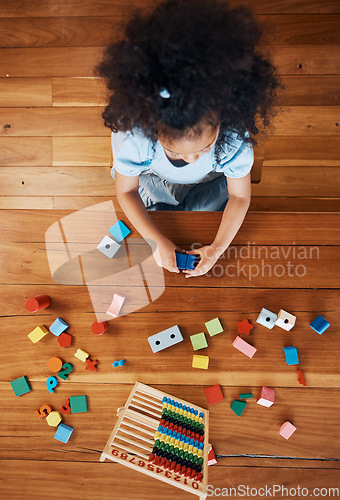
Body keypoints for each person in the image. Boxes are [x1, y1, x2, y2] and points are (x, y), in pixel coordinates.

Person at [96, 0, 281, 277]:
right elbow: (126, 190)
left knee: (199, 220)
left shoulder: (232, 136)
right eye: (176, 152)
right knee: (156, 217)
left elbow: (240, 197)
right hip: (152, 181)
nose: (192, 158)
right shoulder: (137, 137)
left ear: (222, 121)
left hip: (209, 184)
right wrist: (155, 241)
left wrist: (217, 248)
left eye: (205, 148)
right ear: (153, 132)